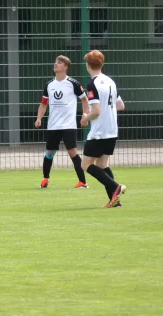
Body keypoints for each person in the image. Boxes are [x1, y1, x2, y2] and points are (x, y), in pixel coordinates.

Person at [80, 50, 126, 208]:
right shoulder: (110, 81)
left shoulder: (92, 84)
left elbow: (97, 111)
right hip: (112, 129)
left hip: (99, 131)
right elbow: (120, 105)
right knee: (102, 164)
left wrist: (86, 117)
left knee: (85, 165)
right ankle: (115, 201)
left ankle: (116, 187)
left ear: (88, 65)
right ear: (102, 63)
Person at [35, 55, 89, 189]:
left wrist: (85, 114)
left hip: (68, 125)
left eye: (59, 63)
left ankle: (82, 182)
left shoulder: (73, 83)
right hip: (53, 125)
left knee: (73, 152)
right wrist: (39, 118)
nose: (55, 64)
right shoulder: (49, 85)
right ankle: (45, 179)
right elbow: (43, 104)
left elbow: (84, 99)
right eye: (55, 62)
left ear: (65, 67)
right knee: (49, 153)